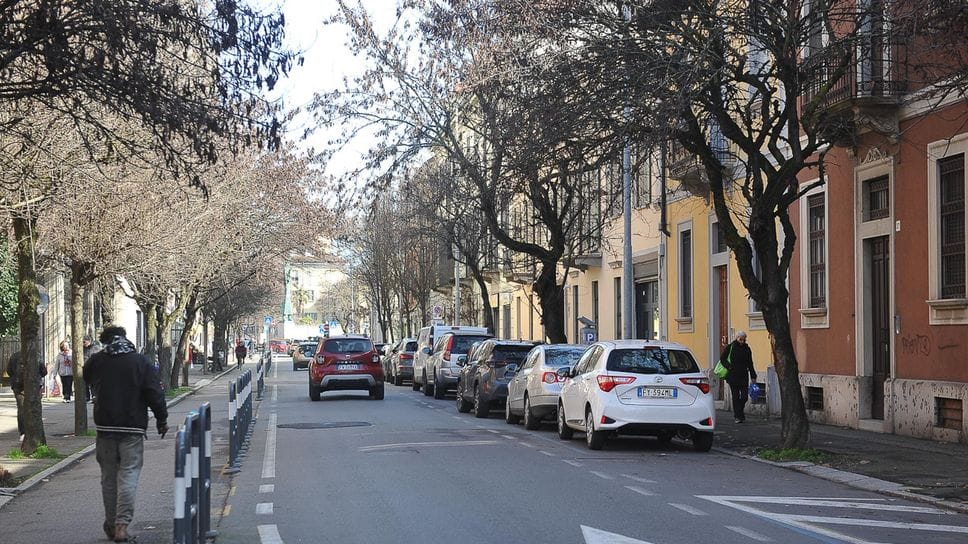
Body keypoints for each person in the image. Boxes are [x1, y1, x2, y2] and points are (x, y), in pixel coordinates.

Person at [84, 325, 168, 543]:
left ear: (105, 341)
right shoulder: (140, 362)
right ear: (125, 337)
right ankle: (122, 525)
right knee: (129, 475)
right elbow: (154, 392)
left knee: (108, 478)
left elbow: (86, 377)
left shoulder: (97, 360)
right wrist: (161, 419)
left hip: (105, 428)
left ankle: (111, 525)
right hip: (132, 427)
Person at [8, 350, 47, 440]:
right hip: (34, 386)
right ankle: (35, 431)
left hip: (18, 386)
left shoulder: (14, 355)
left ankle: (23, 432)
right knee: (34, 407)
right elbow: (43, 371)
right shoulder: (37, 355)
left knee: (21, 409)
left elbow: (9, 370)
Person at [721, 331, 757, 423]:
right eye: (740, 339)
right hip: (732, 375)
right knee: (735, 396)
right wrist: (729, 366)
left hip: (743, 375)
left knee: (744, 396)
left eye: (744, 339)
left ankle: (739, 412)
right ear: (736, 339)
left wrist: (753, 375)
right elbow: (722, 359)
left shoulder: (747, 349)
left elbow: (750, 363)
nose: (742, 341)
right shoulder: (731, 347)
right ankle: (738, 416)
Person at [83, 335, 103, 403]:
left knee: (93, 384)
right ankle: (87, 397)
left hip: (94, 368)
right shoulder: (82, 349)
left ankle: (94, 396)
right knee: (85, 383)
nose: (83, 343)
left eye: (84, 342)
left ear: (89, 341)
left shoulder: (96, 348)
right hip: (85, 367)